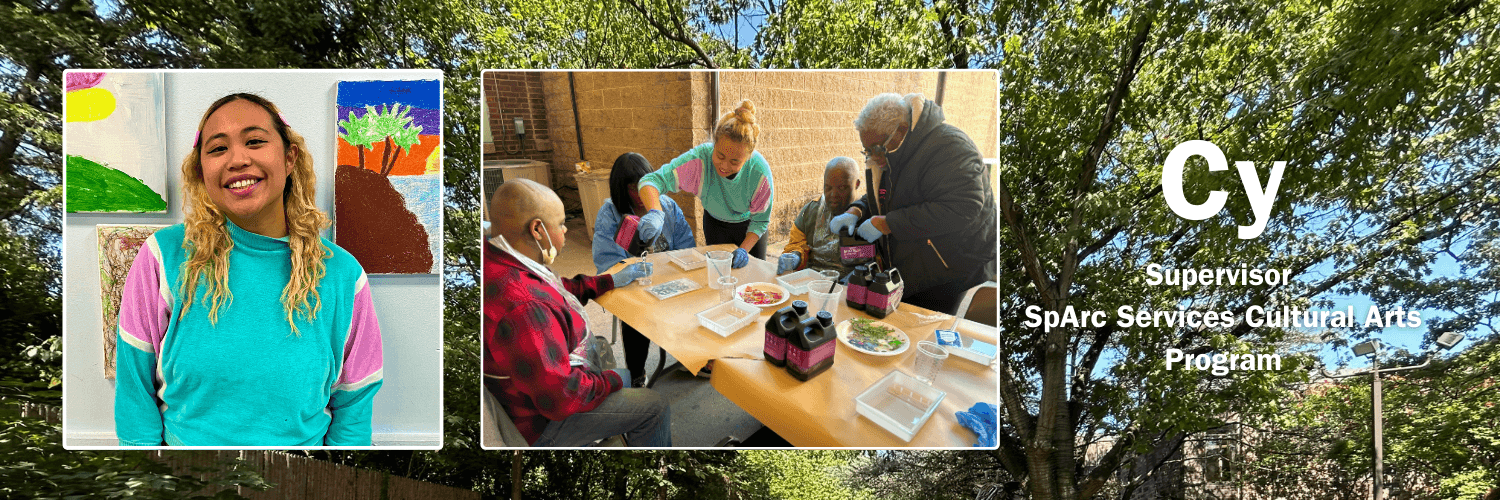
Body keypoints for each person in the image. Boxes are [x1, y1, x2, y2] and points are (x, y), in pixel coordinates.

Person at [115, 94, 383, 446]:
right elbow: (135, 394)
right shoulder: (162, 257)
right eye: (217, 149)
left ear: (289, 158)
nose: (238, 160)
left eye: (255, 141)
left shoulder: (344, 276)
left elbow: (355, 406)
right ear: (201, 171)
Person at [483, 178, 671, 447]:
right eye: (560, 224)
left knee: (617, 365)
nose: (566, 229)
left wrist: (609, 281)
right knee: (655, 405)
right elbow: (560, 398)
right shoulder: (523, 306)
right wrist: (610, 381)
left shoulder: (502, 255)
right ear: (538, 229)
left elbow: (556, 291)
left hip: (544, 386)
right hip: (542, 423)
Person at [829, 93, 998, 315]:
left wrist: (889, 223)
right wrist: (856, 210)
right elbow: (882, 196)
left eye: (876, 149)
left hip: (949, 268)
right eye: (866, 150)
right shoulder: (891, 152)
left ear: (901, 129)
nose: (872, 156)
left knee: (923, 325)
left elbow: (963, 207)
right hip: (913, 260)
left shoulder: (950, 147)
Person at [592, 152, 695, 385]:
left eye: (643, 185)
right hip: (634, 286)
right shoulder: (610, 214)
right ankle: (637, 373)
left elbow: (687, 248)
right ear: (620, 188)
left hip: (669, 281)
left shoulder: (667, 207)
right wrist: (630, 272)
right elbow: (608, 263)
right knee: (635, 317)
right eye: (632, 188)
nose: (640, 194)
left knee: (694, 303)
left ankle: (691, 357)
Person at [637, 99, 773, 269]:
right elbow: (651, 181)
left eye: (734, 162)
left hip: (749, 227)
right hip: (715, 224)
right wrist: (656, 213)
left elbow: (760, 220)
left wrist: (744, 250)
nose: (724, 166)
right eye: (720, 156)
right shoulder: (700, 161)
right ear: (714, 145)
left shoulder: (759, 172)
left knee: (752, 277)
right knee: (719, 274)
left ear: (748, 158)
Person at [778, 156, 862, 275]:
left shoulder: (867, 215)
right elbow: (796, 244)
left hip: (850, 285)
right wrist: (795, 256)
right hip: (812, 280)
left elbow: (875, 258)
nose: (833, 194)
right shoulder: (812, 210)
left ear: (856, 184)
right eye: (828, 187)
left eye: (842, 188)